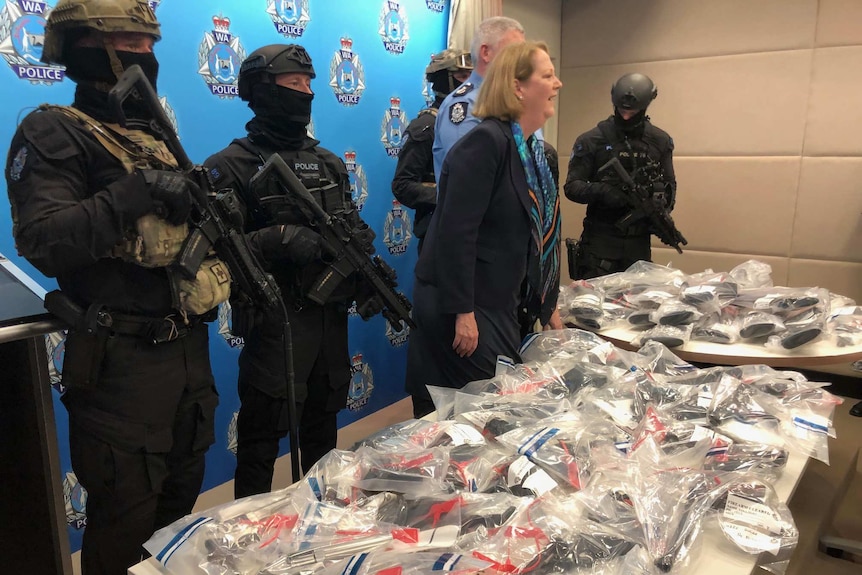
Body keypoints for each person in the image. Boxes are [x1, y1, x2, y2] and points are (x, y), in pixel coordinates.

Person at [4, 1, 225, 573]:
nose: (146, 57)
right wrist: (138, 192)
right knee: (122, 528)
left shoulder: (148, 136)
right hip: (120, 371)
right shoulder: (52, 129)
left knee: (177, 516)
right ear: (83, 47)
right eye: (130, 44)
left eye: (150, 45)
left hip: (185, 359)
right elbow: (44, 239)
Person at [204, 44, 362, 498]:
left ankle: (320, 518)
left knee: (323, 431)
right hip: (275, 323)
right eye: (295, 84)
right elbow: (217, 256)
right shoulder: (227, 166)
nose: (307, 93)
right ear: (261, 90)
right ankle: (249, 536)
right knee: (260, 439)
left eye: (310, 84)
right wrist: (276, 240)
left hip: (329, 320)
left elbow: (349, 225)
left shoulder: (330, 163)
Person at [405, 42, 564, 418]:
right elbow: (455, 233)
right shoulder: (484, 144)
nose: (557, 83)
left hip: (498, 302)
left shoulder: (528, 150)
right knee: (480, 419)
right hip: (464, 307)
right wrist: (463, 312)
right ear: (517, 87)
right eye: (546, 75)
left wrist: (547, 302)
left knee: (494, 413)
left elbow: (532, 234)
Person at [564, 72, 677, 279]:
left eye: (632, 111)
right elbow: (572, 187)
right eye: (622, 110)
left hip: (638, 248)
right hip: (600, 245)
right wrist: (603, 191)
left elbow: (670, 190)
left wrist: (656, 203)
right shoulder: (592, 140)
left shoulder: (659, 141)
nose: (626, 116)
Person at [391, 48, 472, 253]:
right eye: (463, 76)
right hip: (438, 236)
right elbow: (402, 185)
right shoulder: (427, 126)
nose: (470, 84)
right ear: (445, 80)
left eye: (473, 76)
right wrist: (450, 195)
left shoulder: (476, 123)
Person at [432, 16, 525, 182]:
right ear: (486, 53)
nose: (521, 60)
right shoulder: (466, 105)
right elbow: (468, 178)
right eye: (513, 52)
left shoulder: (516, 100)